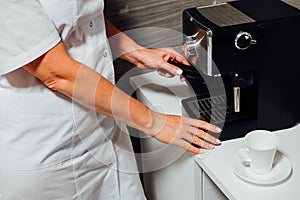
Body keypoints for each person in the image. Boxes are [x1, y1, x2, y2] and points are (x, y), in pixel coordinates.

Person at [0, 1, 221, 199]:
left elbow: (84, 18)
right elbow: (57, 73)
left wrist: (136, 52)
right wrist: (154, 122)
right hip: (49, 148)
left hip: (105, 126)